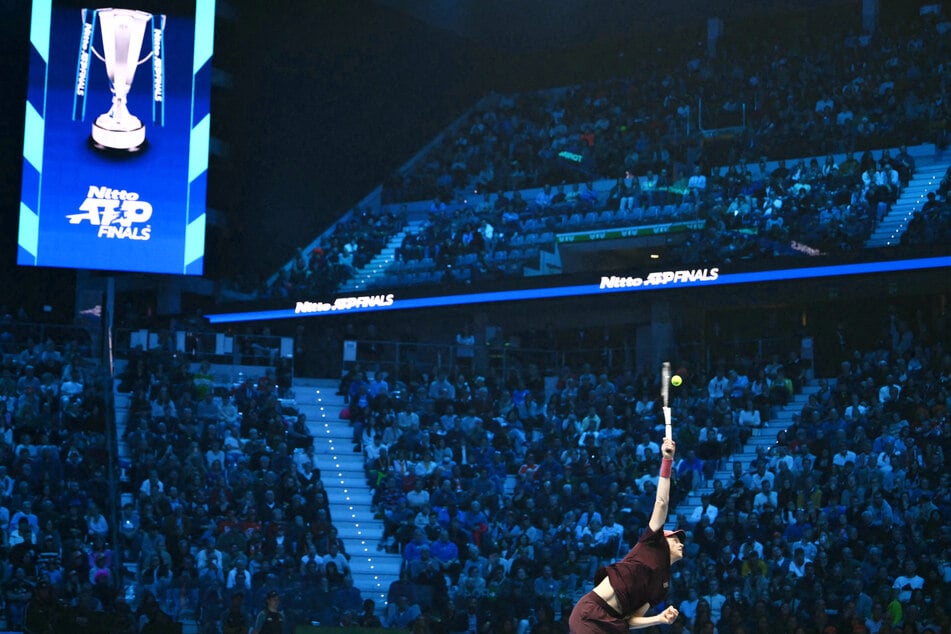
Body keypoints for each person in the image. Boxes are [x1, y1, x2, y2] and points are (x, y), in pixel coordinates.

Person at [569, 437, 684, 632]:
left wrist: (659, 618)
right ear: (663, 540)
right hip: (591, 612)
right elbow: (662, 503)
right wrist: (667, 460)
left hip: (614, 624)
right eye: (675, 538)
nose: (680, 543)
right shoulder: (651, 542)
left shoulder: (662, 586)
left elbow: (631, 620)